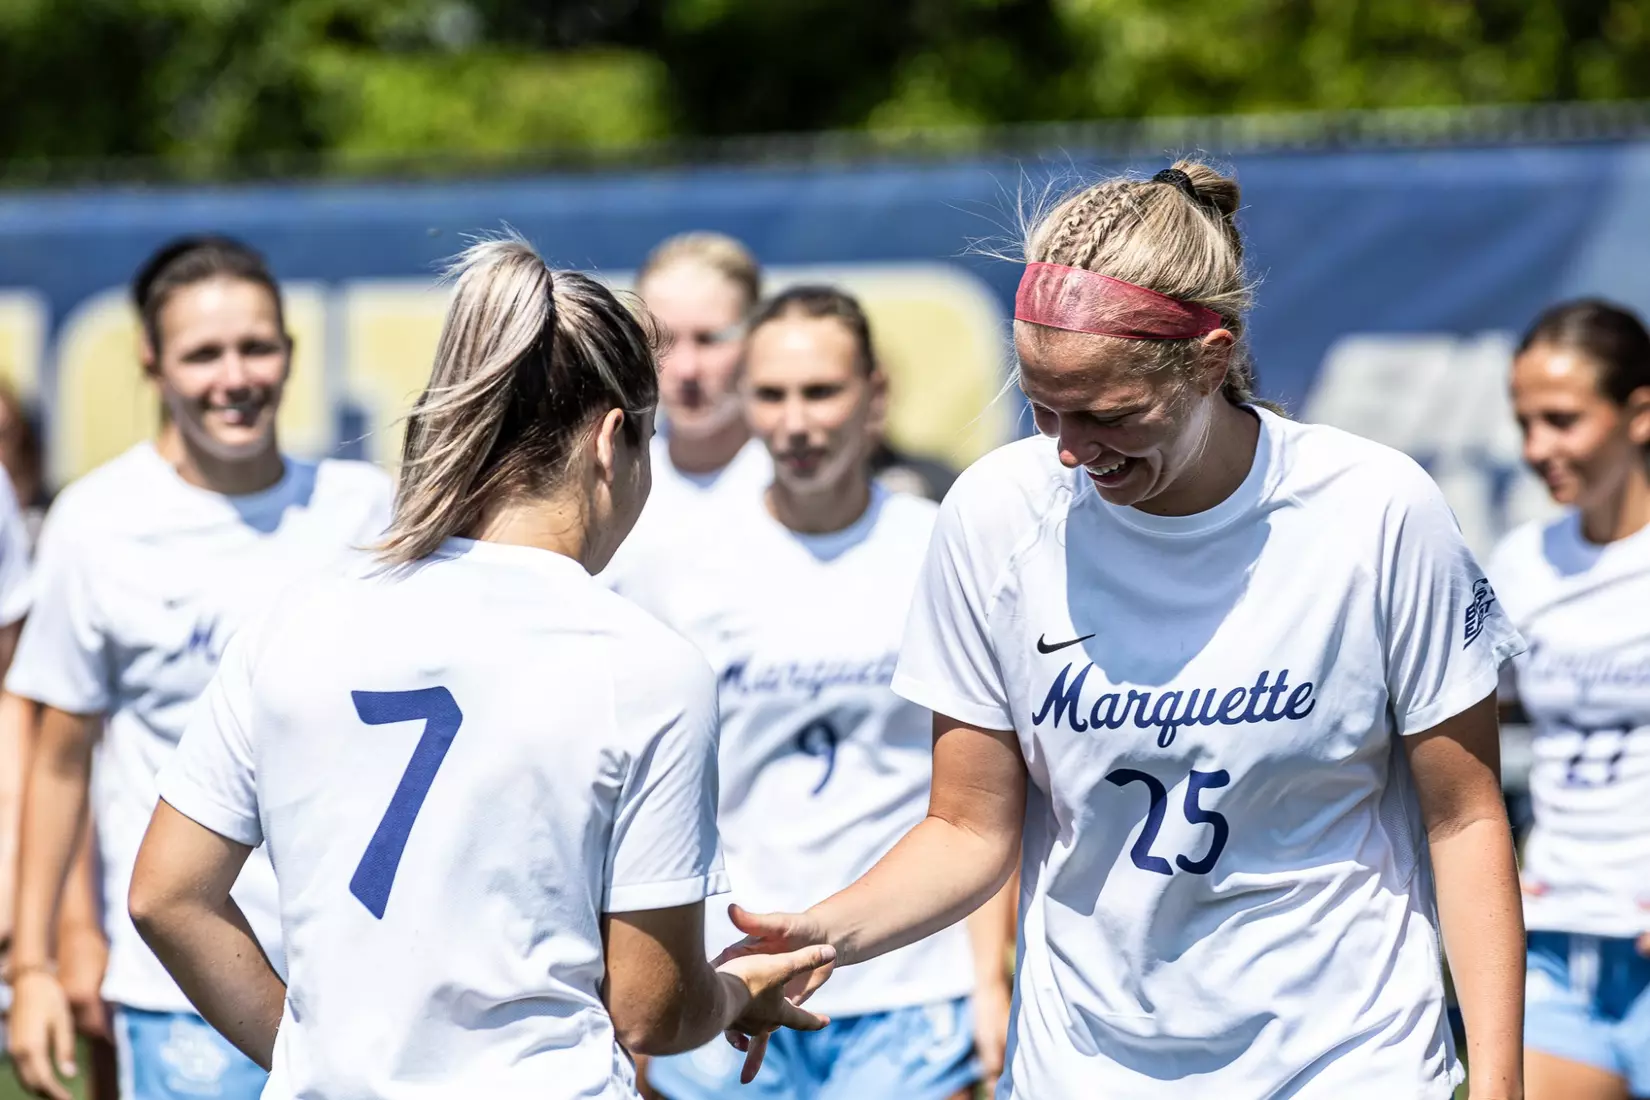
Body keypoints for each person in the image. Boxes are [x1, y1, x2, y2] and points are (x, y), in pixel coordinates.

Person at [716, 161, 1529, 1099]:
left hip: (1344, 1061)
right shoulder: (994, 514)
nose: (1069, 448)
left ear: (1212, 360)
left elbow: (1465, 818)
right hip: (1086, 1068)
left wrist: (1498, 1083)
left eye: (1108, 414)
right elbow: (968, 829)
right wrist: (823, 935)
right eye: (1042, 409)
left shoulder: (1378, 510)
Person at [122, 235, 836, 1099]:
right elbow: (651, 1009)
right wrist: (737, 991)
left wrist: (315, 1060)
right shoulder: (645, 666)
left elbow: (167, 896)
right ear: (613, 440)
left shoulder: (294, 618)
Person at [4, 235, 395, 1100]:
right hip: (178, 982)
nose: (235, 377)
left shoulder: (365, 511)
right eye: (203, 354)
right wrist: (36, 964)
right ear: (151, 362)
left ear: (291, 351)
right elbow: (60, 761)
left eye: (257, 347)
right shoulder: (95, 524)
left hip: (355, 972)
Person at [620, 286, 1010, 1100]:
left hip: (909, 985)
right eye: (771, 394)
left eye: (821, 391)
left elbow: (986, 798)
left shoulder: (942, 546)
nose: (796, 422)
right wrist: (644, 988)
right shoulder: (676, 563)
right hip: (727, 979)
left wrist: (988, 981)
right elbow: (639, 792)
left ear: (876, 394)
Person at [1488, 299, 1650, 1100]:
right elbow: (1468, 729)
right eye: (1525, 423)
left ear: (1640, 413)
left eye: (1561, 420)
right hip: (1556, 929)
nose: (1535, 449)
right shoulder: (1522, 562)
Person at [601, 232, 771, 588]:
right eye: (663, 340)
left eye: (710, 339)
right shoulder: (604, 481)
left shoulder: (802, 481)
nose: (687, 369)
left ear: (759, 337)